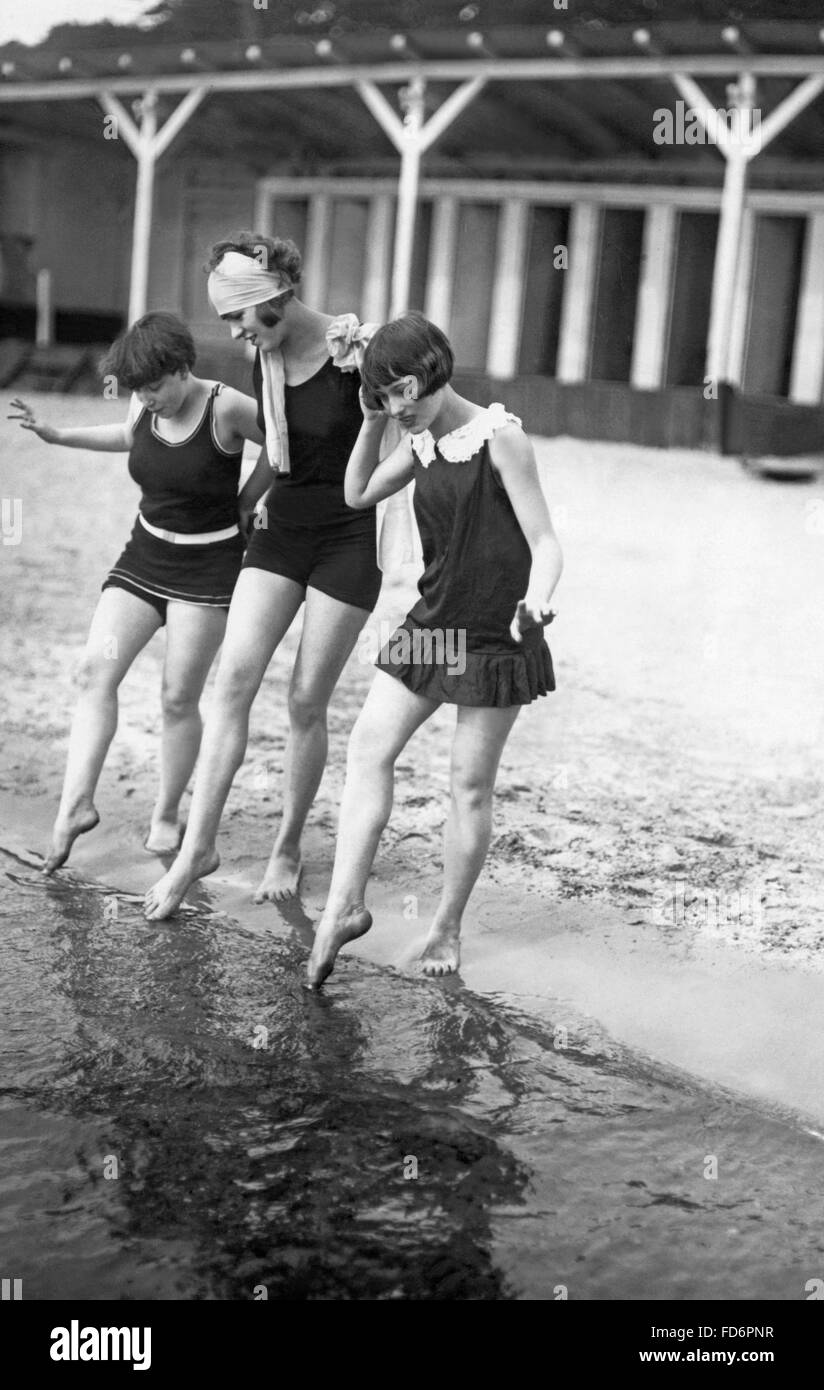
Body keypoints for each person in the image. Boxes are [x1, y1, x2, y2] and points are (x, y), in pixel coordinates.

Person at [144, 232, 402, 919]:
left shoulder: (361, 350)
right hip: (281, 530)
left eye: (236, 316)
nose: (231, 332)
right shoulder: (265, 351)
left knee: (304, 703)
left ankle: (288, 844)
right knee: (231, 684)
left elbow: (427, 408)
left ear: (274, 298)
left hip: (347, 538)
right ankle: (198, 848)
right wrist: (238, 504)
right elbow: (279, 453)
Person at [306, 311, 563, 988]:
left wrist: (537, 601)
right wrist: (370, 421)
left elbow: (546, 542)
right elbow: (356, 493)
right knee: (368, 748)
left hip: (496, 638)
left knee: (468, 786)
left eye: (402, 392)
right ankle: (343, 908)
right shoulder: (417, 442)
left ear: (431, 374)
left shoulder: (502, 438)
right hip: (437, 629)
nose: (398, 407)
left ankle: (446, 924)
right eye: (385, 396)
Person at [8, 312, 269, 871]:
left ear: (181, 369)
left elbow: (281, 443)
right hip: (143, 557)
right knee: (93, 672)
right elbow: (128, 436)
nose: (146, 399)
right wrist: (58, 434)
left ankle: (168, 812)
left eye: (154, 388)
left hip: (207, 568)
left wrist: (250, 499)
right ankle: (73, 809)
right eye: (136, 391)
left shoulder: (226, 405)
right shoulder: (143, 404)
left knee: (178, 697)